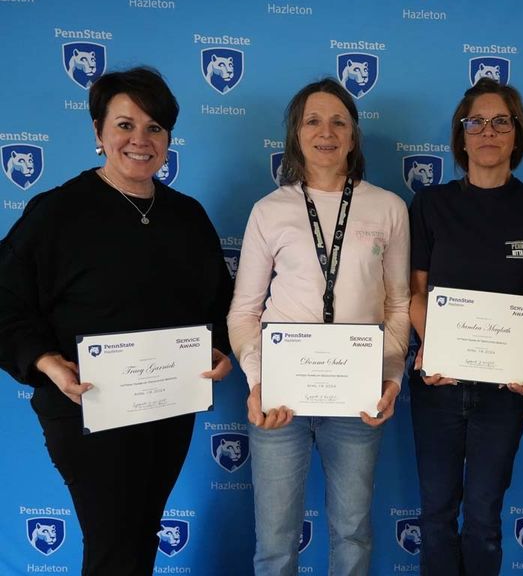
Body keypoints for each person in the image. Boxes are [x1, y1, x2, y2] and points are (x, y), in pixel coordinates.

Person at [0, 67, 233, 575]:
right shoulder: (58, 212)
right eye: (125, 125)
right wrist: (44, 362)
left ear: (169, 137)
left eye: (154, 128)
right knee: (112, 538)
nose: (140, 140)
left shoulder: (187, 216)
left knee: (140, 530)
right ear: (98, 133)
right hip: (85, 404)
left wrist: (219, 348)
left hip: (168, 404)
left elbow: (218, 303)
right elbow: (5, 300)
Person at [227, 77, 410, 576]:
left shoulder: (388, 208)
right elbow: (243, 312)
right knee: (275, 542)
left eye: (338, 121)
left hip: (357, 396)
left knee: (352, 534)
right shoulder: (270, 211)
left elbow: (398, 306)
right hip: (280, 395)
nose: (325, 132)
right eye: (313, 120)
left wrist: (390, 378)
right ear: (296, 135)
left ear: (353, 136)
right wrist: (257, 380)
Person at [408, 77, 523, 576]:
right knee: (435, 517)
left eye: (501, 121)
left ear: (516, 135)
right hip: (439, 387)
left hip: (504, 391)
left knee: (483, 519)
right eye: (475, 122)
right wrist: (433, 348)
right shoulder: (431, 204)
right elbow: (416, 293)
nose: (488, 131)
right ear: (462, 135)